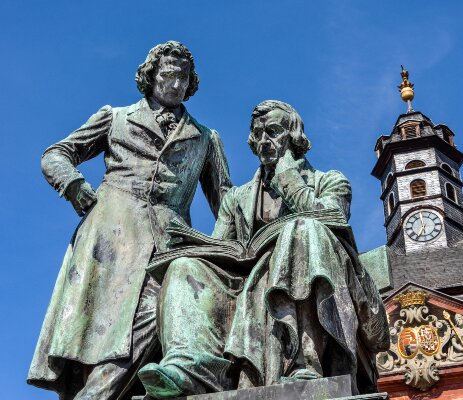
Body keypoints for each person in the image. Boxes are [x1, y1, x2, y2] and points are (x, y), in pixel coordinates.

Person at [138, 100, 389, 398]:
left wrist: (289, 179)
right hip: (247, 280)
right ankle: (191, 368)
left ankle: (304, 361)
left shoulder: (330, 181)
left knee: (302, 229)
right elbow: (223, 248)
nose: (263, 142)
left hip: (312, 269)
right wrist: (197, 245)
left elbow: (333, 218)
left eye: (272, 132)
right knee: (185, 266)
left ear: (293, 137)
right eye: (257, 134)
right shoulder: (237, 198)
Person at [28, 41, 231, 400]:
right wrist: (73, 184)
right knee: (96, 333)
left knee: (158, 311)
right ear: (152, 75)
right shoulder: (115, 117)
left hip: (168, 242)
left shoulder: (205, 138)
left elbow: (227, 203)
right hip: (109, 237)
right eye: (169, 73)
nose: (177, 83)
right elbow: (56, 154)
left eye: (184, 76)